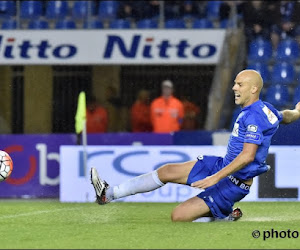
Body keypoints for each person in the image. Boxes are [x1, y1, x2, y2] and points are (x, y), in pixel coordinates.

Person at [90, 70, 300, 222]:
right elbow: (284, 116)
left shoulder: (254, 117)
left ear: (254, 88)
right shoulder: (264, 109)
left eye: (240, 84)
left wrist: (215, 178)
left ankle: (225, 215)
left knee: (178, 217)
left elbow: (247, 156)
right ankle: (109, 194)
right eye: (235, 83)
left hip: (233, 183)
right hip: (222, 166)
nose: (234, 88)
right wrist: (297, 112)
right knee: (167, 171)